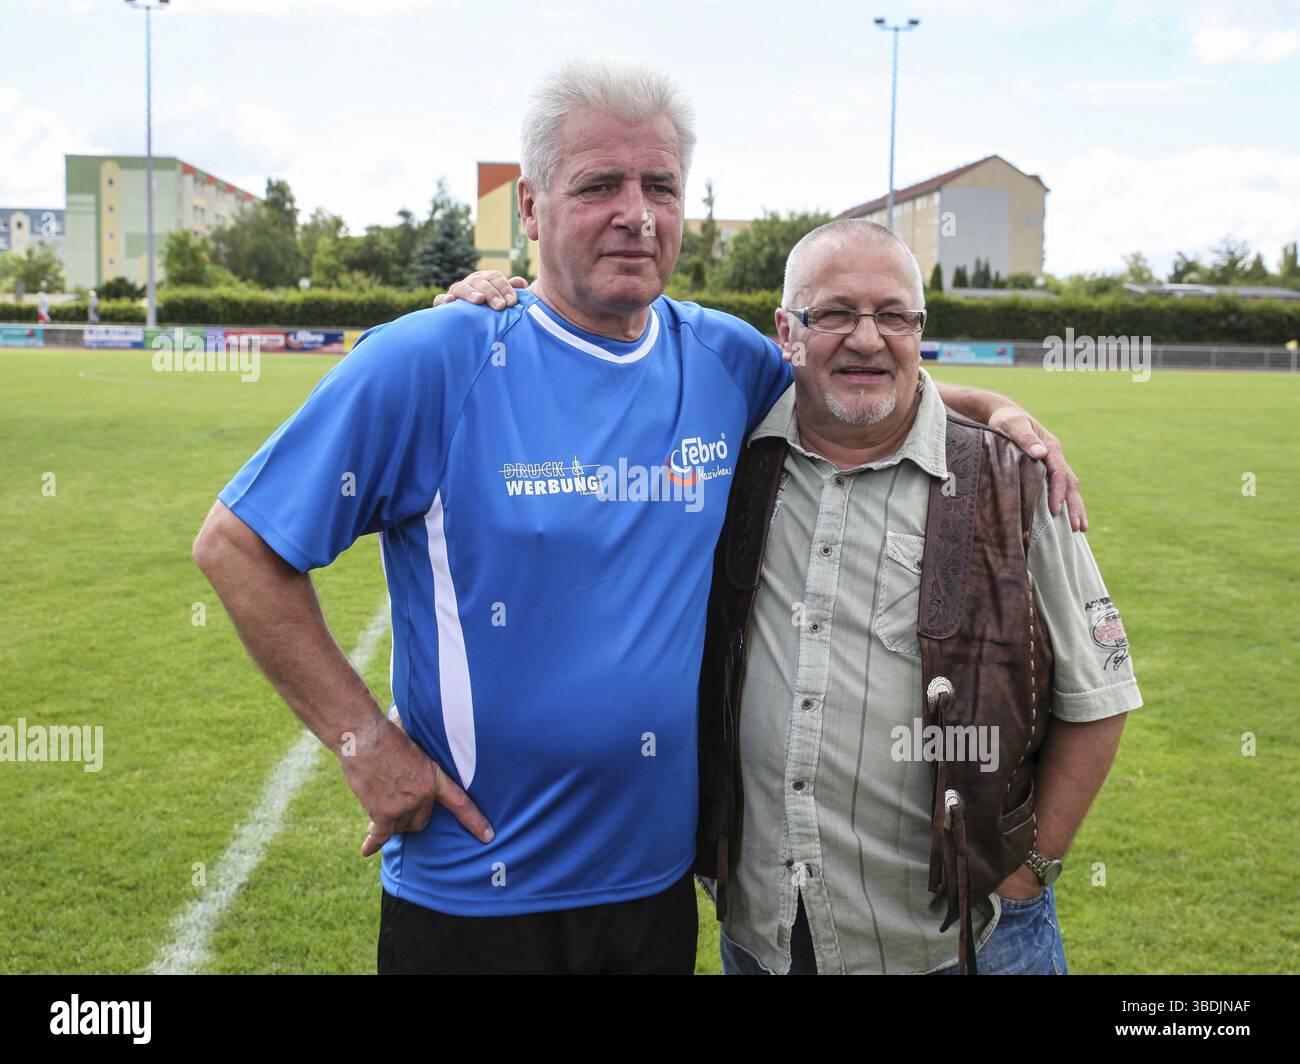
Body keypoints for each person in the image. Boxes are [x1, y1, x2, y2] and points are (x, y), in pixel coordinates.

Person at [194, 58, 1080, 975]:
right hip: (474, 889)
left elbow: (852, 379)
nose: (638, 214)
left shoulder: (723, 360)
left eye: (661, 186)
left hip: (655, 892)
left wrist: (986, 408)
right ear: (530, 207)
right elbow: (237, 546)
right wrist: (362, 742)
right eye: (599, 186)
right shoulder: (435, 358)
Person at [692, 220, 1142, 975]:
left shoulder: (1012, 479)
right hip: (765, 932)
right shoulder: (728, 463)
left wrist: (1032, 870)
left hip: (963, 943)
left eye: (894, 315)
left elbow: (1100, 698)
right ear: (787, 331)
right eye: (836, 313)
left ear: (919, 331)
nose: (867, 338)